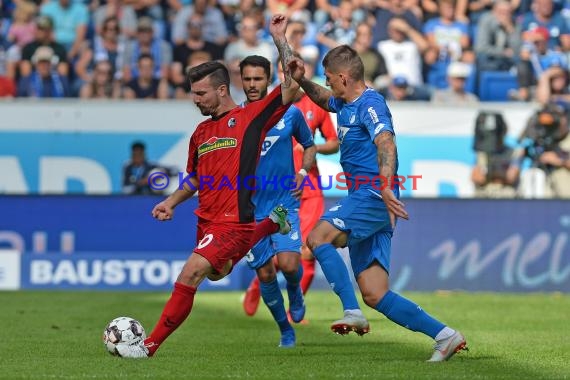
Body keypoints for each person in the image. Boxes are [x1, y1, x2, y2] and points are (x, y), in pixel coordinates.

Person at [116, 14, 302, 358]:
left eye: (201, 93)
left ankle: (148, 347)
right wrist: (171, 202)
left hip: (233, 221)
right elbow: (196, 178)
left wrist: (279, 38)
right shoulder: (201, 134)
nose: (196, 99)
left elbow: (292, 86)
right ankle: (272, 223)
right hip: (208, 220)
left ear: (221, 90)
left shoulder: (251, 119)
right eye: (193, 93)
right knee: (218, 273)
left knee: (191, 274)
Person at [288, 44, 468, 362]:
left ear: (344, 77)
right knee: (375, 293)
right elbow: (320, 97)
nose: (327, 85)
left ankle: (350, 310)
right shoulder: (344, 102)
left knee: (317, 237)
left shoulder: (371, 104)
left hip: (372, 194)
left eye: (329, 79)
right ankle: (446, 336)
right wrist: (302, 79)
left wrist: (385, 186)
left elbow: (386, 142)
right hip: (369, 198)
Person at [243, 51, 339, 316]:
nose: (291, 77)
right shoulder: (269, 107)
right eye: (286, 72)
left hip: (307, 188)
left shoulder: (315, 106)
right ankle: (258, 284)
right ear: (279, 75)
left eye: (295, 71)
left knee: (307, 251)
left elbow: (334, 142)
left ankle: (294, 304)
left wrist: (313, 148)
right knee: (280, 257)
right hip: (269, 190)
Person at [238, 55, 317, 347]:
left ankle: (295, 290)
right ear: (240, 81)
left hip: (283, 203)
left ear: (269, 79)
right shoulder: (236, 118)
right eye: (247, 79)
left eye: (258, 79)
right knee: (265, 272)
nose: (252, 85)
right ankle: (285, 329)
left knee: (289, 264)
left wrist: (302, 171)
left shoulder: (290, 114)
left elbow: (310, 146)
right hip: (249, 210)